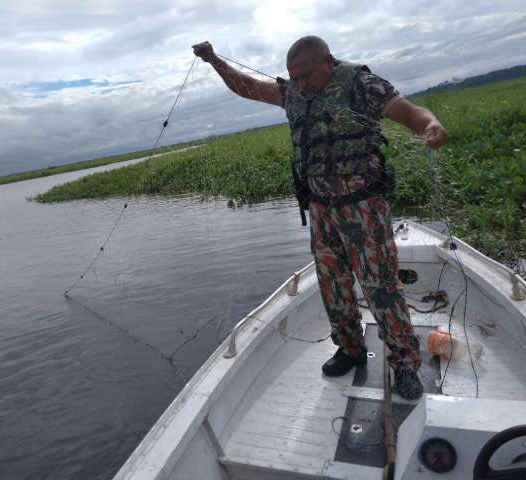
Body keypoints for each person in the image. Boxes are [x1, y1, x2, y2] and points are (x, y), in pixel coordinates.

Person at [192, 36, 448, 400]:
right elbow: (247, 88)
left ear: (327, 61)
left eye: (306, 75)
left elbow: (409, 113)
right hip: (322, 210)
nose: (300, 84)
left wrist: (432, 126)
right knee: (333, 284)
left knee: (381, 286)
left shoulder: (362, 85)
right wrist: (214, 60)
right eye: (293, 78)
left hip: (364, 207)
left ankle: (405, 361)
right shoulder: (295, 94)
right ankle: (350, 349)